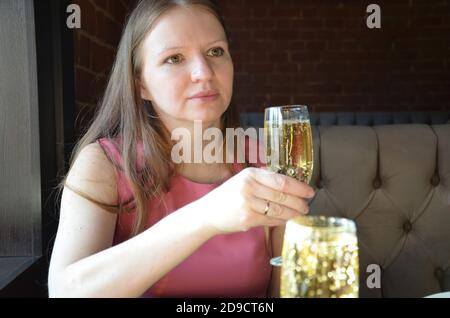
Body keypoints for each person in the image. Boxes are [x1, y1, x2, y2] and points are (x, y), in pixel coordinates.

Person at [48, 0, 314, 298]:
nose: (204, 72)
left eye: (215, 51)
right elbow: (65, 291)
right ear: (141, 85)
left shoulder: (265, 161)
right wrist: (205, 216)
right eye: (174, 58)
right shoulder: (105, 165)